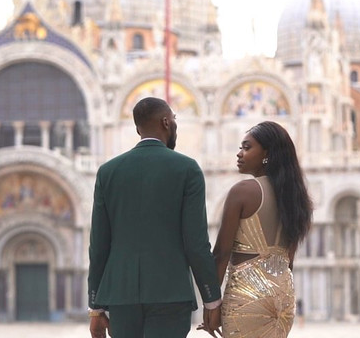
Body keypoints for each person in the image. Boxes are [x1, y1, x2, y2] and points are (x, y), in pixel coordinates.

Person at [88, 97, 222, 338]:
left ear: (138, 128)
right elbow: (196, 243)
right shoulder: (187, 169)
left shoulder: (107, 172)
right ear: (165, 122)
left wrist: (95, 307)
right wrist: (211, 299)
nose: (175, 125)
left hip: (121, 294)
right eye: (174, 120)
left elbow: (98, 245)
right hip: (170, 292)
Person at [209, 121, 313, 337]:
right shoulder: (296, 198)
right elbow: (288, 260)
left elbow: (221, 253)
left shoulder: (243, 191)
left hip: (246, 296)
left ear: (267, 154)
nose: (239, 153)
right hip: (283, 298)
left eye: (247, 148)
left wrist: (211, 305)